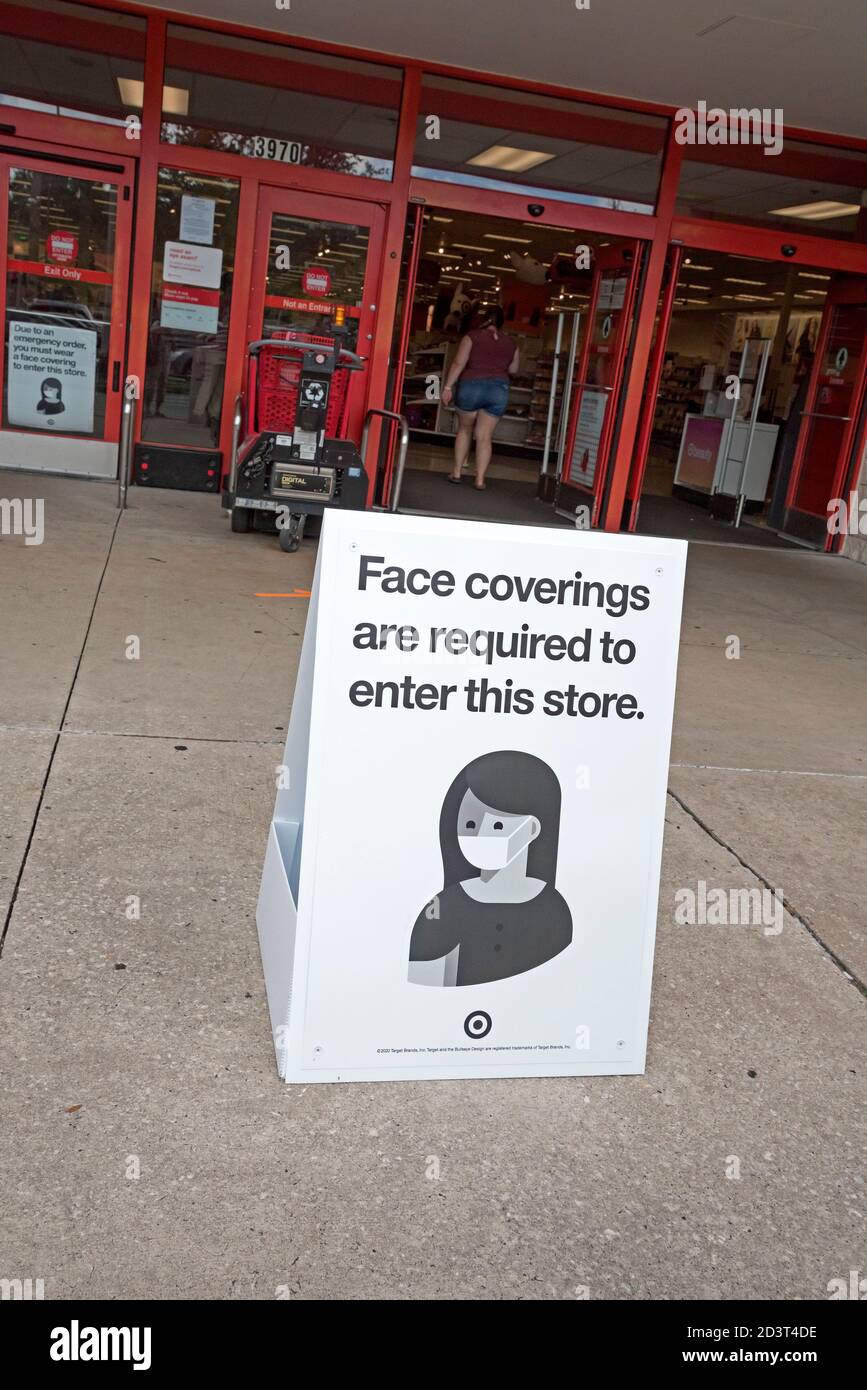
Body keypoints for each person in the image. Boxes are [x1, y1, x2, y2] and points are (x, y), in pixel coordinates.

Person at [407, 751, 573, 987]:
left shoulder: (554, 909)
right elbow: (423, 989)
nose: (480, 834)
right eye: (471, 824)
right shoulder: (444, 907)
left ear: (532, 829)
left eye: (497, 824)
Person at [440, 306, 519, 490]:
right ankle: (480, 480)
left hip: (471, 386)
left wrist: (447, 387)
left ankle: (457, 473)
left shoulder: (471, 337)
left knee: (465, 429)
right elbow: (514, 370)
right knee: (484, 436)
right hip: (498, 389)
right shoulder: (512, 343)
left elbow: (459, 362)